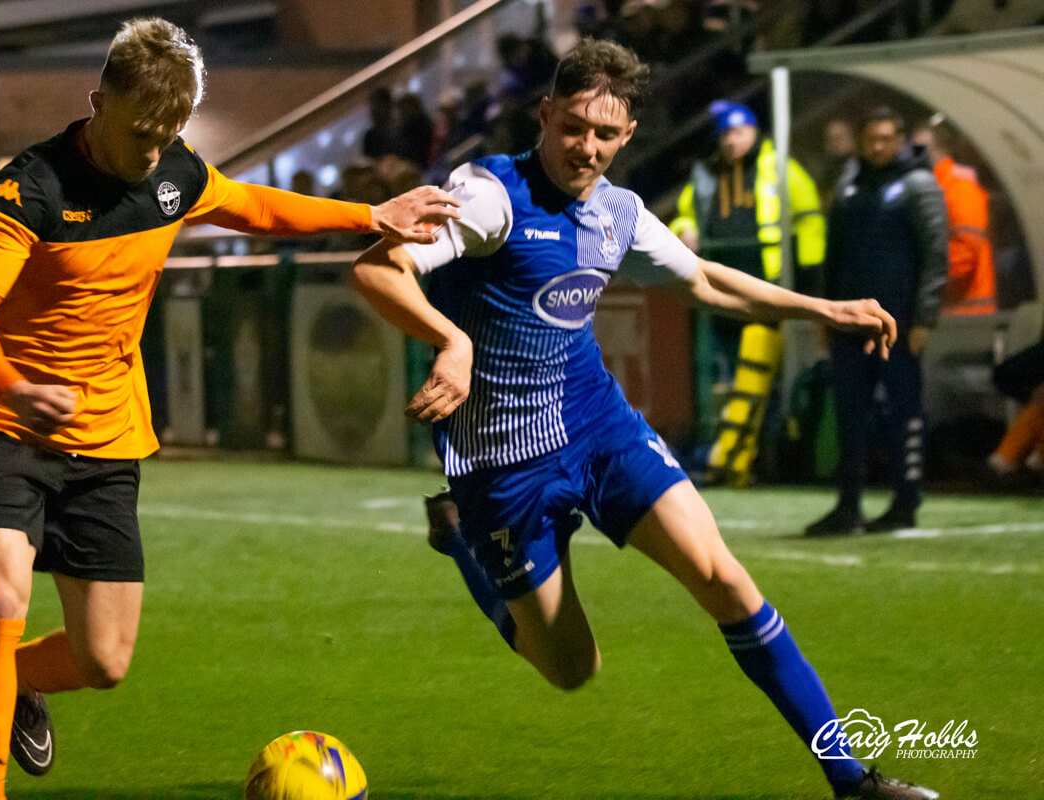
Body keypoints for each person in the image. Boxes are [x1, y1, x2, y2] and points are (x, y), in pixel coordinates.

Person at [350, 39, 936, 800]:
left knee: (726, 580)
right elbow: (375, 266)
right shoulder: (492, 196)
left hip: (599, 429)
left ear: (627, 138)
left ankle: (853, 781)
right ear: (545, 114)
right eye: (573, 128)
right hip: (502, 461)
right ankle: (463, 538)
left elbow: (704, 281)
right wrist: (450, 340)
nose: (585, 149)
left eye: (604, 135)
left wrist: (822, 308)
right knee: (570, 668)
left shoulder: (617, 214)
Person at [0, 17, 458, 800]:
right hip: (3, 423)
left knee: (104, 661)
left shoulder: (172, 172)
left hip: (108, 435)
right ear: (97, 101)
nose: (152, 152)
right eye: (141, 131)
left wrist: (370, 215)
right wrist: (12, 386)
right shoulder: (30, 188)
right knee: (2, 597)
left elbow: (250, 205)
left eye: (166, 135)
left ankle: (12, 685)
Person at [805, 106, 948, 536]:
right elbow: (835, 253)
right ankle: (849, 505)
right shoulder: (850, 184)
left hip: (899, 324)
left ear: (900, 138)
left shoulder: (918, 185)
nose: (878, 146)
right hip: (850, 324)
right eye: (871, 139)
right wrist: (825, 312)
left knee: (903, 415)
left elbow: (935, 255)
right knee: (849, 415)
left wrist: (923, 318)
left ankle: (906, 502)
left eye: (886, 138)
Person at [670, 100, 825, 486]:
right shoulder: (706, 173)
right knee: (723, 381)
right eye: (726, 134)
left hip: (766, 287)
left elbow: (808, 218)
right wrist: (683, 228)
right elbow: (686, 212)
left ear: (754, 132)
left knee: (757, 377)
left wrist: (809, 276)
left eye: (740, 133)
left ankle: (745, 460)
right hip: (716, 288)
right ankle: (727, 457)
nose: (733, 141)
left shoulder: (778, 167)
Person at [911, 117, 997, 316]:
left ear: (939, 150)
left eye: (918, 150)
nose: (912, 157)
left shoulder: (959, 188)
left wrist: (921, 273)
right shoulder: (934, 189)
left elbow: (966, 251)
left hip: (969, 317)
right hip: (947, 314)